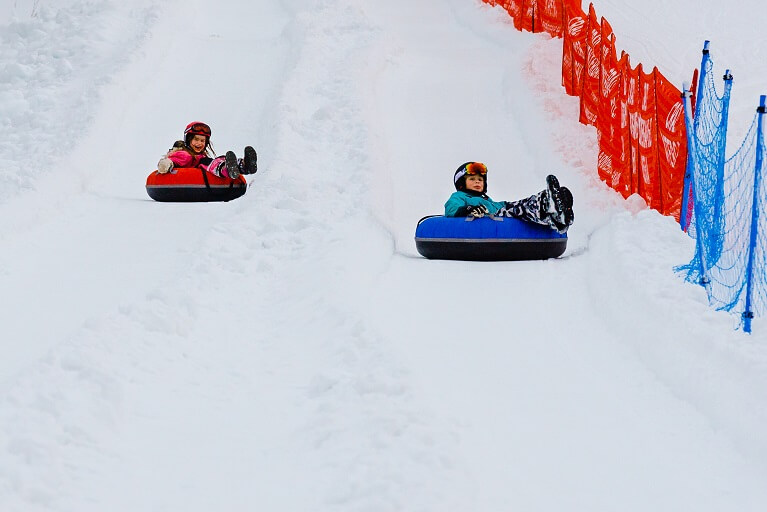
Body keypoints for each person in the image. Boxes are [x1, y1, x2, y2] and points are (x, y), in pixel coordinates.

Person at [445, 161, 574, 233]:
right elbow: (451, 208)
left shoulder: (488, 201)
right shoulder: (459, 196)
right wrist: (468, 209)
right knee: (519, 210)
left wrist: (513, 204)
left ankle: (552, 210)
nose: (478, 182)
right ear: (461, 184)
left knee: (520, 205)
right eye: (472, 179)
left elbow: (503, 205)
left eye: (480, 179)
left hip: (497, 214)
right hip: (490, 220)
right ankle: (547, 205)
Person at [156, 121, 257, 180]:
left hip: (202, 168)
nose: (199, 143)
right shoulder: (184, 154)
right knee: (206, 162)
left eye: (202, 141)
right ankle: (226, 169)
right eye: (196, 139)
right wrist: (166, 164)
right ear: (188, 140)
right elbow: (172, 161)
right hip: (189, 175)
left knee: (217, 159)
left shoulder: (200, 155)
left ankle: (243, 165)